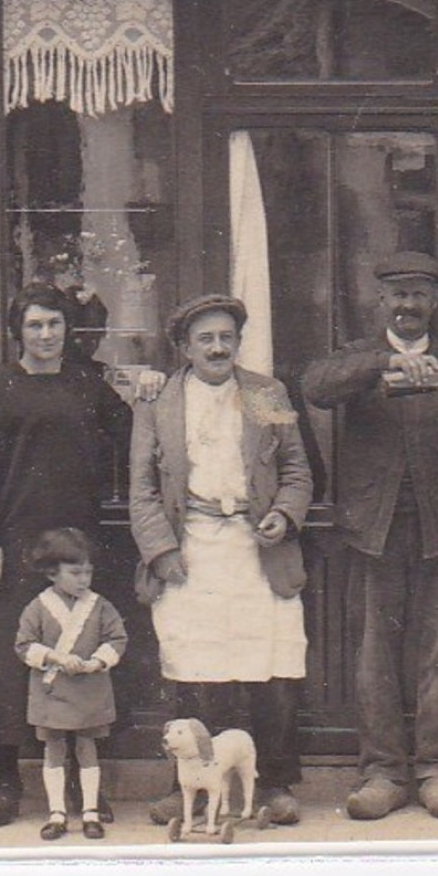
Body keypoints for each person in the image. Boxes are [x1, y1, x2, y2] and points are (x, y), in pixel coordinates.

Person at [301, 251, 438, 820]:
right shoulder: (356, 359)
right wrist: (382, 365)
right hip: (372, 534)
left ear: (434, 303)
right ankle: (382, 773)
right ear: (379, 301)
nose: (408, 305)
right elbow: (316, 386)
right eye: (398, 295)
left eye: (419, 295)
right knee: (374, 658)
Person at [130, 294, 314, 827]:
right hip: (191, 550)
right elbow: (141, 488)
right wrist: (163, 551)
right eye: (205, 339)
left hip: (259, 550)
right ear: (185, 347)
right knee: (194, 668)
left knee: (272, 666)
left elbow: (297, 470)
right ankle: (185, 786)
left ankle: (274, 784)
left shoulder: (263, 394)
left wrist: (284, 513)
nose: (217, 348)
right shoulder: (161, 400)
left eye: (226, 337)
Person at [0, 283, 132, 828]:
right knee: (10, 662)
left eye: (54, 324)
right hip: (12, 544)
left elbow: (129, 436)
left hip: (76, 543)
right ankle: (7, 781)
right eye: (34, 325)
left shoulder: (89, 384)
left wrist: (143, 383)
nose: (44, 334)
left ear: (68, 330)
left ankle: (87, 789)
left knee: (81, 656)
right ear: (19, 331)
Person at [14, 528, 128, 842]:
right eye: (75, 572)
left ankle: (90, 811)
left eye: (88, 572)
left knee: (87, 746)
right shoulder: (38, 607)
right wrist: (55, 658)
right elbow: (24, 646)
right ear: (52, 573)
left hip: (88, 688)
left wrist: (97, 662)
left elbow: (117, 639)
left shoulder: (99, 606)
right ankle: (57, 813)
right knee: (54, 747)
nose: (83, 579)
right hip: (52, 689)